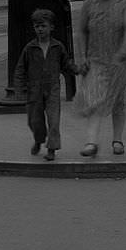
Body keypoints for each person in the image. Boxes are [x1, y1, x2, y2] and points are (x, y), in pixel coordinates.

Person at [73, 0, 126, 157]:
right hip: (95, 61)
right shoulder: (89, 5)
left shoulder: (123, 3)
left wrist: (124, 50)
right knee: (94, 101)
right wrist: (82, 57)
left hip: (119, 63)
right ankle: (91, 142)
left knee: (119, 102)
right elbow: (81, 31)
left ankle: (117, 140)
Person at [13, 8, 77, 161]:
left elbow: (66, 64)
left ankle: (52, 148)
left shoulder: (58, 47)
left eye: (43, 26)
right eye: (37, 26)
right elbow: (20, 69)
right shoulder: (30, 48)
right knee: (35, 121)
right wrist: (19, 89)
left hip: (53, 89)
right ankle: (39, 140)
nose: (40, 29)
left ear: (51, 27)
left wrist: (78, 69)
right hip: (34, 90)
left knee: (54, 120)